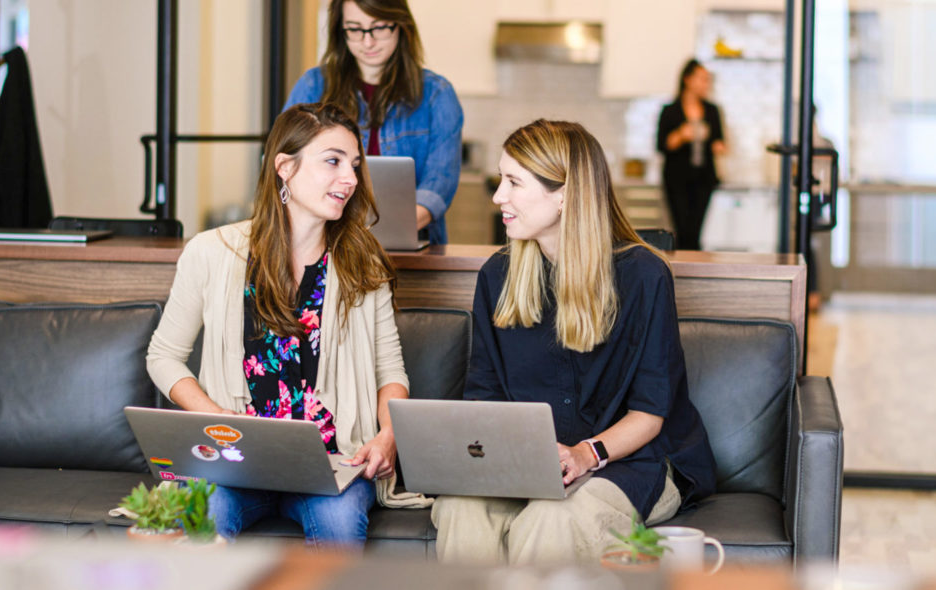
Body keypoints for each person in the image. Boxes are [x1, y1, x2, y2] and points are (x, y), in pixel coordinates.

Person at [431, 119, 717, 565]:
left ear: (563, 195)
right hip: (529, 465)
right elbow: (484, 396)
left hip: (629, 463)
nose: (497, 197)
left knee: (552, 521)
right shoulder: (497, 276)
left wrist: (586, 455)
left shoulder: (643, 276)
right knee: (459, 509)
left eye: (513, 182)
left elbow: (650, 414)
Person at [145, 102, 428, 549]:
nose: (351, 178)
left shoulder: (363, 261)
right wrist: (214, 417)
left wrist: (389, 436)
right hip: (232, 461)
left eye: (354, 165)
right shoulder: (210, 252)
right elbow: (163, 356)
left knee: (338, 525)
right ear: (285, 167)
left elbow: (390, 370)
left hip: (334, 461)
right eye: (333, 161)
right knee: (205, 521)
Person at [283, 0, 463, 245]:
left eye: (379, 28)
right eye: (355, 29)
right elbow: (286, 164)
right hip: (323, 243)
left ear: (400, 25)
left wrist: (387, 232)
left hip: (409, 247)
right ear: (340, 31)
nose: (368, 42)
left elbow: (439, 185)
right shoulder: (313, 86)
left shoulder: (436, 94)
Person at [656, 59, 727, 251]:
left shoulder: (712, 111)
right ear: (688, 79)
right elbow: (662, 145)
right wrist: (682, 135)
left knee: (696, 230)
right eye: (702, 79)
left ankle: (693, 272)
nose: (706, 84)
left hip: (704, 179)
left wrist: (718, 146)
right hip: (677, 179)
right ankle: (683, 271)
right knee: (682, 229)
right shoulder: (670, 111)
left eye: (708, 80)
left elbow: (720, 142)